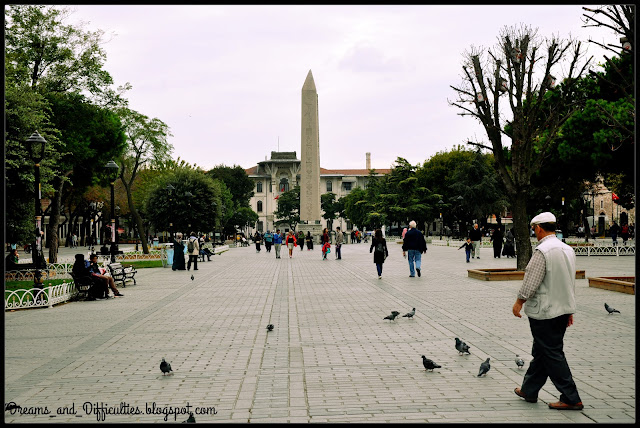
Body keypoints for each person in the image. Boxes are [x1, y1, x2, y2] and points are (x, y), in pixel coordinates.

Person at [512, 212, 583, 411]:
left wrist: (519, 302)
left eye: (534, 229)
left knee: (551, 352)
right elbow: (568, 281)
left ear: (540, 228)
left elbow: (531, 281)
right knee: (543, 350)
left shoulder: (542, 251)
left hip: (545, 310)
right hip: (562, 308)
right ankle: (529, 390)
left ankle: (571, 397)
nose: (534, 233)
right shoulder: (567, 249)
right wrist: (569, 310)